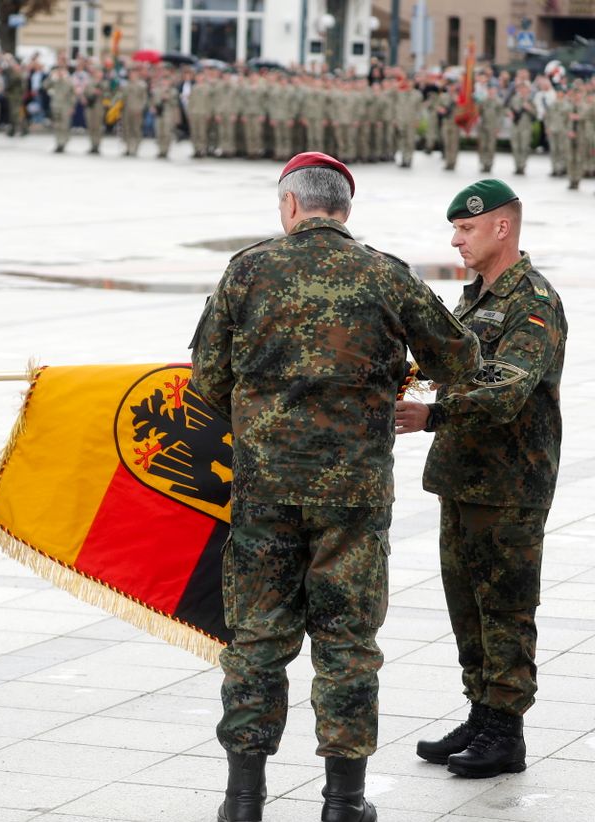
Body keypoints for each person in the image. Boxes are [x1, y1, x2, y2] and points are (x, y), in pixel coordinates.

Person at [189, 152, 480, 822]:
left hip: (265, 489)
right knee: (347, 640)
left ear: (291, 206)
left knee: (257, 638)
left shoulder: (248, 270)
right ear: (343, 209)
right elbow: (460, 358)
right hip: (353, 494)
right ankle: (343, 802)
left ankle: (243, 799)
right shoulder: (386, 275)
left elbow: (205, 382)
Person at [396, 181, 566, 779]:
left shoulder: (533, 302)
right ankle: (481, 712)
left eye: (466, 228)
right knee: (466, 606)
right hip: (462, 478)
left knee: (507, 608)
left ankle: (506, 733)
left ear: (502, 228)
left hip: (510, 486)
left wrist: (432, 415)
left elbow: (507, 390)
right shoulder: (473, 300)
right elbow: (444, 361)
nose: (456, 238)